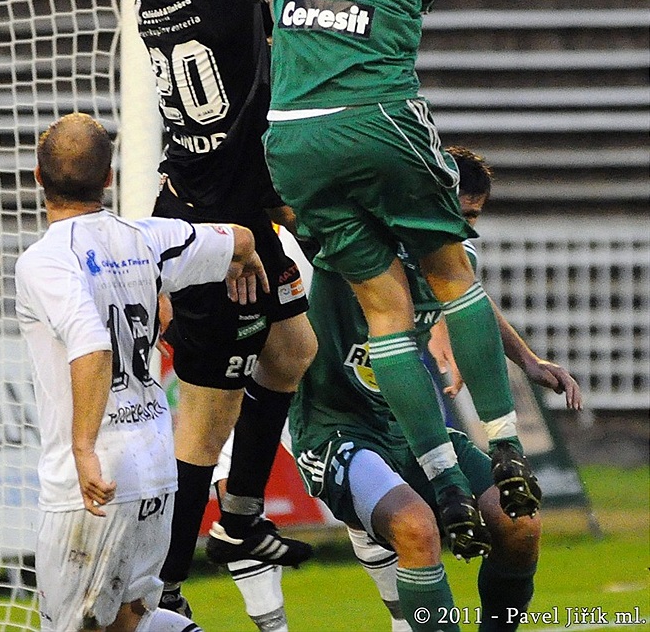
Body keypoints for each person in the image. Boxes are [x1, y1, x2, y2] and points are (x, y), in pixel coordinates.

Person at [99, 0, 339, 621]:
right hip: (211, 234)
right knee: (203, 418)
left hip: (226, 210)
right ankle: (162, 591)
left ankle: (241, 519)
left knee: (293, 353)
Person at [263, 0, 542, 550]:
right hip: (373, 111)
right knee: (454, 277)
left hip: (290, 131)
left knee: (385, 315)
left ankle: (447, 482)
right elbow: (405, 3)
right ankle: (506, 447)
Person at [212, 147, 581, 632]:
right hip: (337, 430)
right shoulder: (345, 236)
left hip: (414, 426)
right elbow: (270, 201)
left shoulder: (455, 253)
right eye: (460, 214)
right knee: (416, 529)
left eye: (474, 217)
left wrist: (527, 359)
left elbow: (471, 299)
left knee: (520, 523)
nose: (466, 229)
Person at [14, 112, 269, 632]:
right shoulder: (146, 238)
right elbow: (238, 238)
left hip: (93, 481)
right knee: (132, 619)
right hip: (155, 468)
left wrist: (83, 447)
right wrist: (243, 259)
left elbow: (90, 343)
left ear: (37, 177)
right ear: (108, 179)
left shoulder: (44, 262)